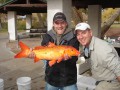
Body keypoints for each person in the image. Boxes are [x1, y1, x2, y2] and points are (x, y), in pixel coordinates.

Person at [29, 12, 79, 90]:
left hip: (68, 80)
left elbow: (75, 57)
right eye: (57, 23)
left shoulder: (73, 37)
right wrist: (35, 54)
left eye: (62, 23)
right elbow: (45, 55)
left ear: (66, 23)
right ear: (53, 24)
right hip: (51, 78)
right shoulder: (47, 36)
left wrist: (69, 58)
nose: (60, 26)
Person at [75, 22, 120, 90]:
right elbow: (86, 55)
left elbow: (118, 70)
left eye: (84, 33)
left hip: (111, 83)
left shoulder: (102, 50)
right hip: (100, 80)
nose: (80, 37)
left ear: (90, 33)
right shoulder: (87, 45)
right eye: (78, 34)